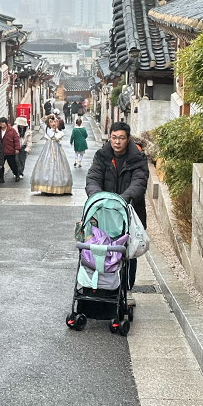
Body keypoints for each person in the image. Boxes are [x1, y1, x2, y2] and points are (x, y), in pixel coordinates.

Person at [86, 121, 149, 290]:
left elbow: (139, 183)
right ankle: (102, 287)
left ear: (128, 139)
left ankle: (127, 290)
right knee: (102, 249)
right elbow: (93, 178)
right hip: (104, 213)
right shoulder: (102, 156)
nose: (117, 142)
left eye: (121, 138)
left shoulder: (138, 158)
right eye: (114, 137)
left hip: (129, 212)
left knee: (128, 253)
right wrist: (97, 198)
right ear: (110, 138)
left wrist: (121, 201)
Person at [30, 114, 73, 195]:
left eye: (55, 122)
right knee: (47, 166)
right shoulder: (47, 130)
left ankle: (61, 187)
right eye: (51, 122)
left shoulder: (59, 132)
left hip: (58, 150)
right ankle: (46, 187)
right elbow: (41, 122)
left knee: (59, 167)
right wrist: (47, 116)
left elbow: (58, 140)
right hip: (48, 150)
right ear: (48, 123)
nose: (53, 124)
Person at [0, 118, 19, 183]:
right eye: (0, 123)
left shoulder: (12, 130)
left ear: (6, 123)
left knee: (12, 164)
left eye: (3, 122)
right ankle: (1, 178)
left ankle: (16, 175)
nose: (2, 124)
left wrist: (17, 148)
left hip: (10, 151)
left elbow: (16, 140)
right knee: (0, 165)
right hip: (1, 151)